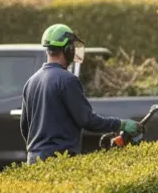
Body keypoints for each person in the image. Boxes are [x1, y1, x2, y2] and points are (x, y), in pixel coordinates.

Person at [20, 24, 140, 163]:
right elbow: (87, 120)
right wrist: (120, 124)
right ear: (68, 49)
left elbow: (24, 128)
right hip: (59, 160)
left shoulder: (31, 82)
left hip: (33, 160)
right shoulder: (67, 80)